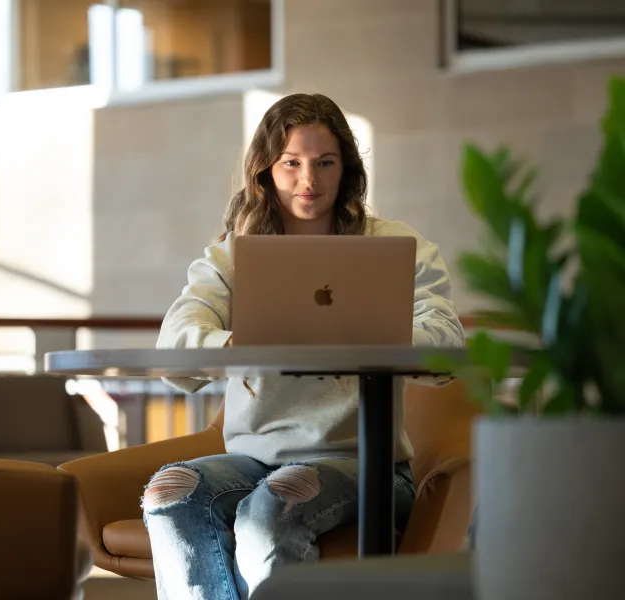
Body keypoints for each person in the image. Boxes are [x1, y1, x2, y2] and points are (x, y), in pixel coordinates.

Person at [142, 93, 465, 600]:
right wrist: (242, 340)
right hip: (252, 459)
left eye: (325, 163)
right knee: (169, 492)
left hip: (367, 463)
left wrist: (364, 329)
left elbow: (446, 341)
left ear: (347, 169)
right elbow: (176, 349)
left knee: (273, 505)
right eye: (291, 163)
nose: (308, 180)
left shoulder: (395, 246)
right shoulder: (232, 257)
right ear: (266, 171)